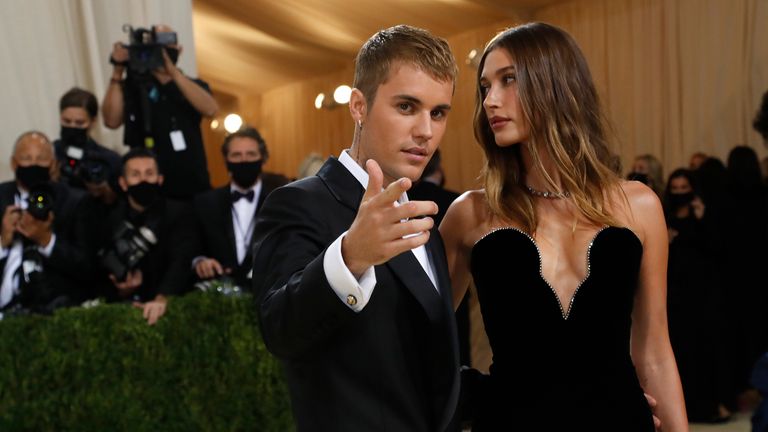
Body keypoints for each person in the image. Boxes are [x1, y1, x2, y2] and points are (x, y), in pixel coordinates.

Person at [439, 23, 688, 431]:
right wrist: (476, 396)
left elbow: (655, 350)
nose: (490, 101)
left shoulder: (639, 206)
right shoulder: (471, 214)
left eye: (508, 80)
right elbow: (422, 340)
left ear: (556, 84)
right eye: (485, 87)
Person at [252, 25, 460, 431]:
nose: (426, 131)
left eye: (438, 113)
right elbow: (279, 330)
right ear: (359, 106)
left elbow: (420, 365)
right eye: (406, 106)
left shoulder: (424, 221)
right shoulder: (299, 202)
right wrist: (350, 256)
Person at [102, 24, 217, 200]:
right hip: (148, 188)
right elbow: (111, 121)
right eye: (156, 46)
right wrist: (118, 70)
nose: (161, 51)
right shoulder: (135, 86)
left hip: (191, 186)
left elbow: (211, 109)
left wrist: (173, 74)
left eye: (166, 44)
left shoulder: (192, 86)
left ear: (179, 49)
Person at [90, 148, 195, 325]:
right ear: (123, 183)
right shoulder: (109, 218)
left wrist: (162, 298)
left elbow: (182, 259)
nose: (143, 180)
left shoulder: (179, 212)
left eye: (149, 173)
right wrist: (121, 288)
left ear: (160, 179)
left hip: (172, 307)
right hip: (124, 310)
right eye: (135, 175)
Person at [663, 169, 730, 422]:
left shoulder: (704, 213)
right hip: (675, 296)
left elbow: (719, 250)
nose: (680, 192)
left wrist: (703, 220)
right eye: (676, 188)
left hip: (703, 296)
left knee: (706, 350)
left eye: (684, 187)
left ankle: (712, 405)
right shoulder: (663, 216)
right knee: (681, 351)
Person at [0, 131, 89, 314]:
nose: (33, 164)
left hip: (55, 311)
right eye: (26, 158)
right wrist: (3, 241)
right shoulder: (1, 197)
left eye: (41, 159)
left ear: (53, 165)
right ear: (14, 163)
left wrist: (46, 240)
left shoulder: (74, 201)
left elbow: (87, 266)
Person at [192, 127, 288, 290]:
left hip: (270, 293)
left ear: (262, 158)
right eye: (236, 155)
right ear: (226, 161)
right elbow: (193, 246)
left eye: (251, 154)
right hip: (220, 296)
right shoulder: (205, 203)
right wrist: (200, 261)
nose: (244, 160)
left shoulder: (282, 201)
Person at [55, 87, 121, 192]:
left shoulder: (109, 160)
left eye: (79, 123)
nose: (72, 127)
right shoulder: (50, 153)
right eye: (66, 121)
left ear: (93, 121)